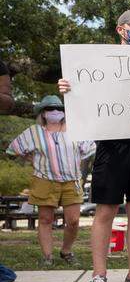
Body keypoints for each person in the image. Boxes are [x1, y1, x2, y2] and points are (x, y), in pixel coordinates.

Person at [58, 9, 130, 282]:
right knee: (105, 209)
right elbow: (82, 94)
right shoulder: (98, 61)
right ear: (121, 30)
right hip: (111, 144)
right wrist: (68, 89)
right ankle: (99, 275)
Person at [6, 96, 94, 267]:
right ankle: (47, 256)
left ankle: (66, 251)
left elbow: (88, 149)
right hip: (44, 180)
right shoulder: (34, 131)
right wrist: (29, 158)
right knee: (45, 219)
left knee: (73, 220)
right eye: (49, 109)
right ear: (43, 113)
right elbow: (13, 148)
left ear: (64, 112)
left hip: (72, 180)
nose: (54, 111)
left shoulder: (75, 129)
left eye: (58, 108)